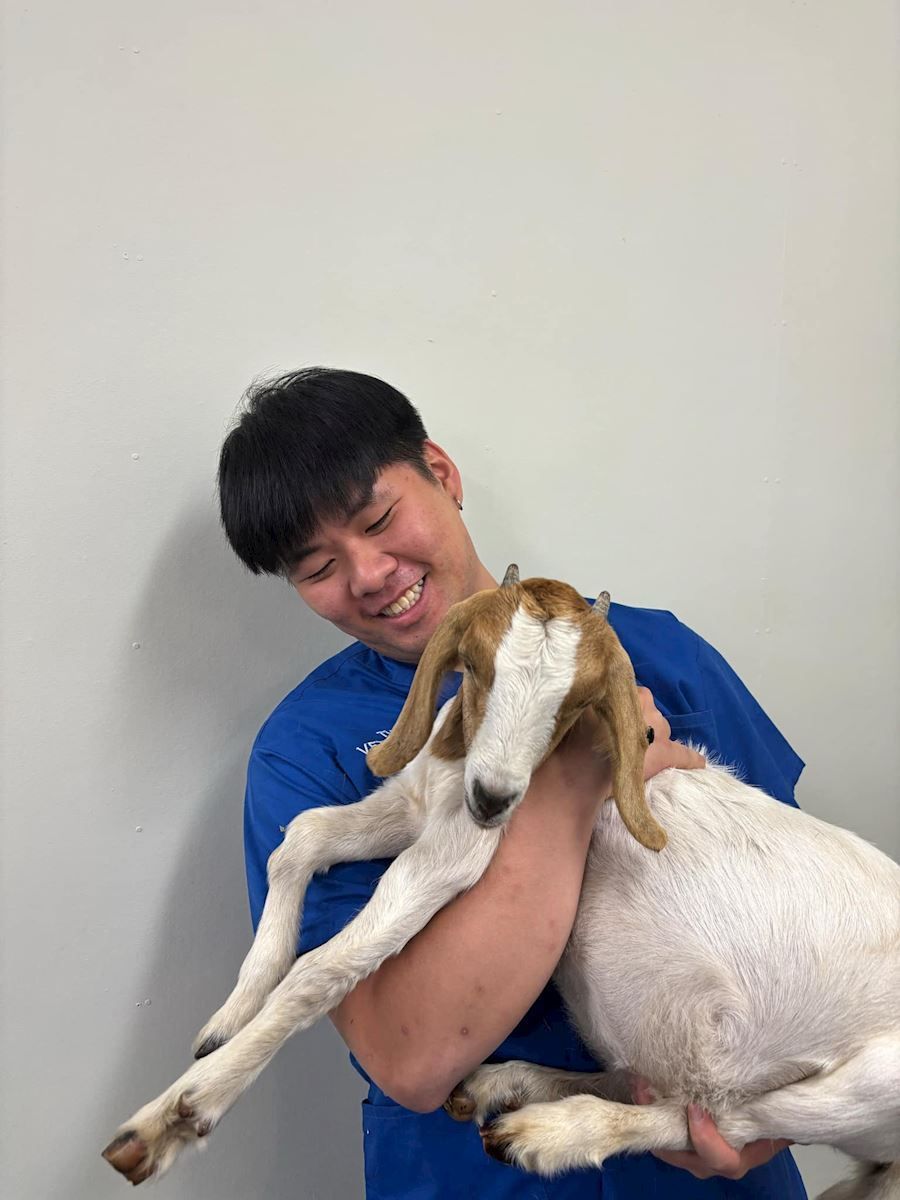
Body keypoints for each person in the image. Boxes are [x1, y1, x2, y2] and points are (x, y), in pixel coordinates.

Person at [217, 367, 807, 1199]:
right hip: (483, 1175)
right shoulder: (307, 754)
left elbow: (791, 924)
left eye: (379, 520)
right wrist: (574, 786)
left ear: (442, 473)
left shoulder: (656, 656)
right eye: (318, 568)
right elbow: (410, 1057)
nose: (370, 573)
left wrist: (767, 1118)